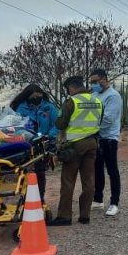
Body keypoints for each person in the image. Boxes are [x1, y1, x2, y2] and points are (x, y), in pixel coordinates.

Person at [48, 76, 102, 226]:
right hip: (92, 144)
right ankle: (85, 215)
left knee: (68, 181)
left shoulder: (71, 102)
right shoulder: (97, 101)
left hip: (74, 146)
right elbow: (100, 121)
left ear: (71, 87)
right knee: (89, 181)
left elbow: (60, 124)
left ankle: (64, 216)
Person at [10, 84, 59, 199]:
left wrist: (49, 136)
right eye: (33, 97)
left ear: (42, 95)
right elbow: (16, 125)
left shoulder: (49, 107)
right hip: (26, 143)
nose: (36, 99)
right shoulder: (21, 108)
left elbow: (56, 125)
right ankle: (26, 198)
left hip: (43, 143)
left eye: (38, 96)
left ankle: (40, 198)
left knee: (40, 172)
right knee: (25, 171)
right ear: (27, 97)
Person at [89, 68, 123, 217]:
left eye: (95, 81)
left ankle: (114, 203)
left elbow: (108, 119)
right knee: (97, 170)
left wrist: (91, 128)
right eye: (91, 82)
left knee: (112, 170)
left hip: (108, 138)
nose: (93, 84)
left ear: (104, 79)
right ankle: (98, 199)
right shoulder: (94, 95)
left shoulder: (113, 96)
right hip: (96, 138)